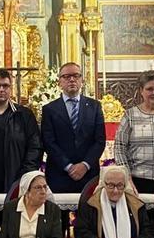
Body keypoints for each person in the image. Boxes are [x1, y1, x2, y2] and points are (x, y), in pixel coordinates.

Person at [40, 62, 106, 194]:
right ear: (59, 82)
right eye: (66, 76)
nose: (71, 79)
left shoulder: (95, 106)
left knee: (89, 213)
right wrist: (68, 166)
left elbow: (99, 140)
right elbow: (48, 142)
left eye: (76, 76)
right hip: (59, 174)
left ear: (82, 80)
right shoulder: (49, 109)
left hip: (88, 174)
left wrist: (85, 165)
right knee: (59, 214)